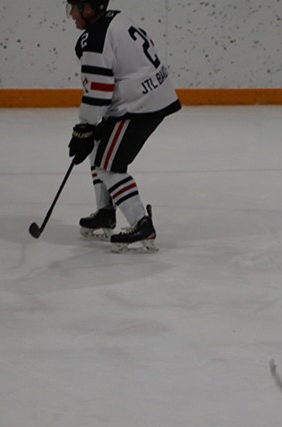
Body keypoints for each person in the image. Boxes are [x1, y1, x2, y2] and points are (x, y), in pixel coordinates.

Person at [65, 0, 181, 252]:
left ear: (88, 9)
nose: (71, 13)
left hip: (139, 105)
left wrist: (83, 127)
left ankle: (142, 224)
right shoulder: (116, 18)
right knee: (99, 148)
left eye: (74, 6)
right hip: (149, 95)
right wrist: (90, 131)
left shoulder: (95, 40)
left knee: (108, 166)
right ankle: (106, 212)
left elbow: (99, 92)